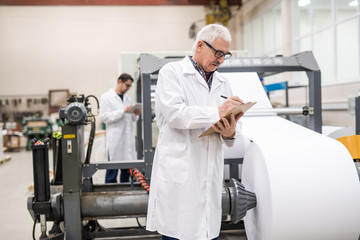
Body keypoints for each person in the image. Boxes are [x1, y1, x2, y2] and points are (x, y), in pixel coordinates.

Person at [146, 24, 244, 240]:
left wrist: (230, 133)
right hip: (180, 172)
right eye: (217, 53)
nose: (220, 59)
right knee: (178, 230)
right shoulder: (172, 73)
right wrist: (217, 112)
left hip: (209, 174)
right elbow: (175, 114)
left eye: (225, 55)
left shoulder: (222, 81)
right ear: (200, 45)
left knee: (208, 232)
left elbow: (228, 130)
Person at [100, 73, 141, 183]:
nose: (128, 88)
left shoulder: (127, 98)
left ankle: (126, 193)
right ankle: (109, 195)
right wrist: (123, 111)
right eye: (127, 85)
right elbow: (104, 117)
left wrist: (135, 114)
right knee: (112, 170)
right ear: (119, 82)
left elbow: (132, 119)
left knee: (127, 171)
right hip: (115, 139)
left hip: (127, 139)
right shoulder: (106, 97)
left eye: (129, 86)